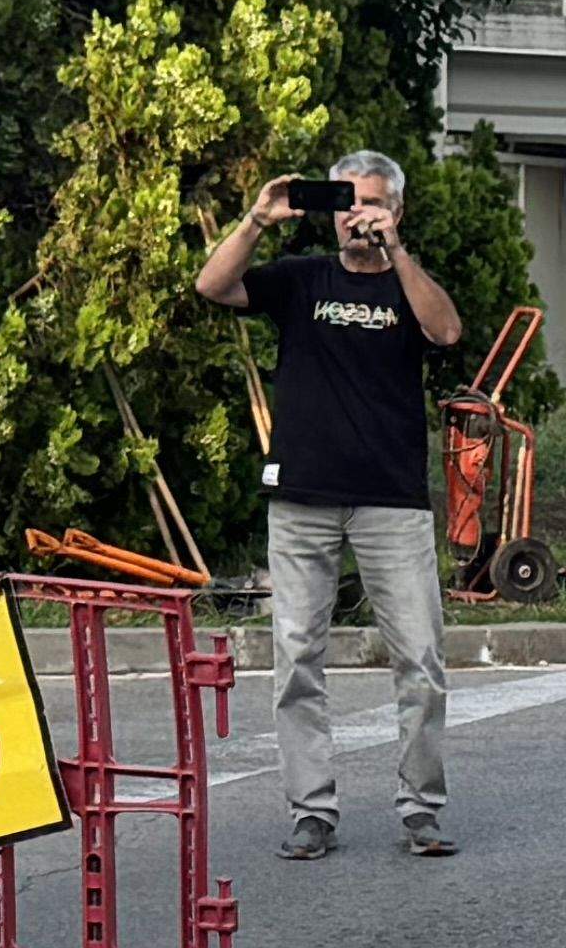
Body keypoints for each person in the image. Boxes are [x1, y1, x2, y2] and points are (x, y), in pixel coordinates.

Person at [196, 147, 463, 858]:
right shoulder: (302, 279)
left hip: (391, 501)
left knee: (421, 658)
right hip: (302, 497)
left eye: (370, 202)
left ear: (396, 209)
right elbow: (212, 285)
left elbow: (445, 331)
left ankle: (421, 808)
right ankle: (310, 811)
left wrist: (396, 252)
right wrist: (258, 219)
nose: (356, 216)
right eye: (345, 203)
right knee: (297, 659)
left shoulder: (407, 284)